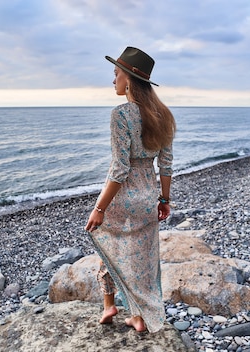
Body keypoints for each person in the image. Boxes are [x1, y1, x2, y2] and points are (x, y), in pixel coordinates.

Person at [84, 46, 176, 333]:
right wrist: (164, 199)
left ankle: (109, 304)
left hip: (123, 197)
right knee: (144, 258)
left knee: (109, 248)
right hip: (149, 196)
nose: (113, 81)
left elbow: (120, 168)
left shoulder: (121, 115)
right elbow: (167, 164)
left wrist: (99, 208)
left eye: (115, 74)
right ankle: (139, 316)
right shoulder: (164, 115)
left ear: (129, 80)